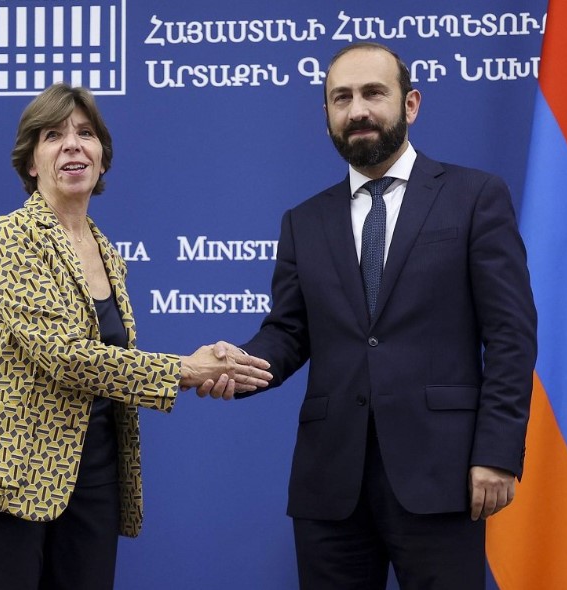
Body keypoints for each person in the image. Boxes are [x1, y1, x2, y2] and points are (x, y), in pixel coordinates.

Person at [199, 43, 537, 589]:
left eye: (373, 93)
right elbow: (288, 332)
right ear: (328, 115)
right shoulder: (304, 221)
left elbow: (510, 335)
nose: (357, 110)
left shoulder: (474, 197)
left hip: (443, 475)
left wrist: (497, 451)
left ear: (411, 104)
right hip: (330, 482)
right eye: (342, 98)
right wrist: (238, 364)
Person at [0, 82, 272, 590]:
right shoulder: (12, 235)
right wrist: (186, 369)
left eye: (85, 133)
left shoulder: (106, 251)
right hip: (2, 474)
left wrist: (204, 369)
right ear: (31, 162)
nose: (73, 145)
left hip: (92, 475)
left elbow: (105, 366)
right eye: (53, 135)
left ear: (102, 157)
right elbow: (65, 357)